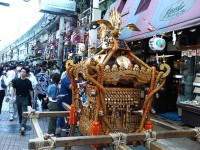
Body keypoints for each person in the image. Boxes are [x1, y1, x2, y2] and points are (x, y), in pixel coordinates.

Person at [10, 67, 34, 133]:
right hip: (18, 97)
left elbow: (31, 91)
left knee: (24, 112)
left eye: (24, 72)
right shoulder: (16, 80)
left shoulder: (28, 82)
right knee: (20, 112)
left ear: (26, 74)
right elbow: (13, 89)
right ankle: (21, 124)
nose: (22, 73)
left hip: (25, 98)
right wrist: (12, 97)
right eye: (21, 71)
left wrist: (32, 99)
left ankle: (23, 126)